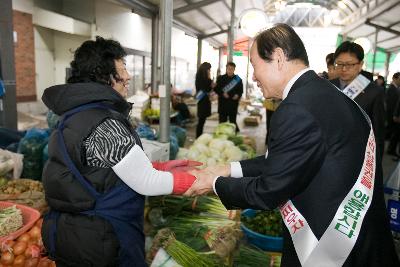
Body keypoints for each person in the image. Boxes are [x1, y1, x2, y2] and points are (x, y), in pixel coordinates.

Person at [184, 24, 399, 266]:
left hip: (333, 247)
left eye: (255, 66)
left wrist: (212, 183)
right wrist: (228, 169)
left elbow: (267, 191)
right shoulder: (321, 92)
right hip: (363, 240)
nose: (253, 76)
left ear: (277, 58)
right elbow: (287, 160)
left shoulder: (296, 107)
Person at [41, 36, 200, 267]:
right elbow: (145, 182)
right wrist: (197, 181)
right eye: (122, 69)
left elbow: (105, 171)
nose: (128, 76)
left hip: (79, 236)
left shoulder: (77, 115)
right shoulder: (104, 124)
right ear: (103, 76)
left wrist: (163, 167)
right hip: (103, 239)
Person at [330, 41, 385, 162]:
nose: (343, 69)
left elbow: (378, 132)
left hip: (358, 155)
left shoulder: (374, 92)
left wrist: (376, 164)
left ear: (360, 65)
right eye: (339, 64)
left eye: (349, 65)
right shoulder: (328, 86)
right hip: (329, 152)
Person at [214, 62, 243, 132]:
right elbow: (216, 89)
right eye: (228, 69)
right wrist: (222, 93)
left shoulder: (238, 79)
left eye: (232, 69)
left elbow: (241, 91)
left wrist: (238, 95)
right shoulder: (220, 78)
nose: (230, 70)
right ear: (226, 69)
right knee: (222, 123)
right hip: (223, 104)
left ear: (234, 69)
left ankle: (233, 136)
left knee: (232, 122)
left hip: (233, 104)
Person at [195, 62, 214, 137]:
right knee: (201, 121)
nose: (209, 71)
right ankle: (198, 137)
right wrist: (211, 81)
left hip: (201, 100)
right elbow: (207, 88)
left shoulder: (198, 76)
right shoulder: (204, 78)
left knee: (201, 121)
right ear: (206, 69)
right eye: (209, 69)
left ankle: (198, 136)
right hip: (203, 101)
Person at [387, 72, 400, 156]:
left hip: (395, 115)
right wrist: (394, 115)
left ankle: (391, 149)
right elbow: (391, 104)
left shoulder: (397, 88)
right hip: (393, 115)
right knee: (394, 134)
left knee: (395, 134)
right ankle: (391, 149)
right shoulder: (391, 89)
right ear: (394, 79)